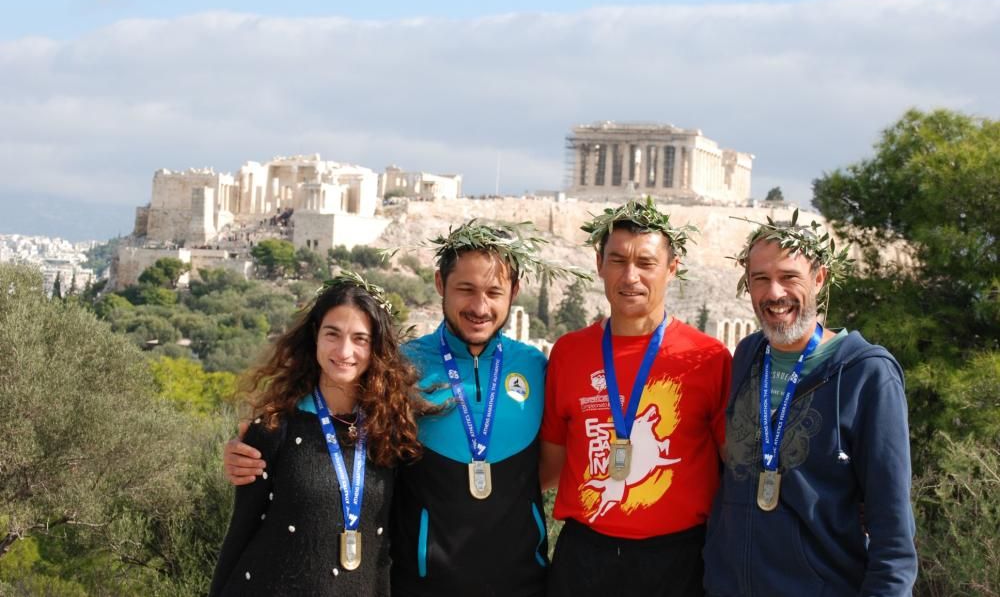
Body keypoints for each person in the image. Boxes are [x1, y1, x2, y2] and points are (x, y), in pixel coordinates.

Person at [224, 221, 584, 597]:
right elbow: (331, 415)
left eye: (494, 291)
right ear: (440, 284)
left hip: (523, 583)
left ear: (514, 292)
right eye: (465, 289)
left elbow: (552, 463)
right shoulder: (401, 366)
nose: (480, 306)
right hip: (422, 584)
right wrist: (256, 445)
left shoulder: (536, 366)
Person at [702, 216, 918, 596]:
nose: (774, 293)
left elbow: (893, 533)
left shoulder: (867, 374)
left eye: (789, 277)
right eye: (760, 279)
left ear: (819, 278)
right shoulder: (747, 356)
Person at [540, 197, 733, 597]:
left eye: (645, 263)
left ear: (671, 269)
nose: (630, 277)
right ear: (599, 264)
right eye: (617, 261)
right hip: (585, 558)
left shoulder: (708, 358)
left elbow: (734, 466)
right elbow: (550, 466)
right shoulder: (568, 353)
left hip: (677, 562)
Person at [210, 271, 424, 596]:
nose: (344, 350)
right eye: (332, 334)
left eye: (360, 339)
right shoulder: (273, 428)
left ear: (376, 346)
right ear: (315, 336)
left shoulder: (391, 431)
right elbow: (241, 531)